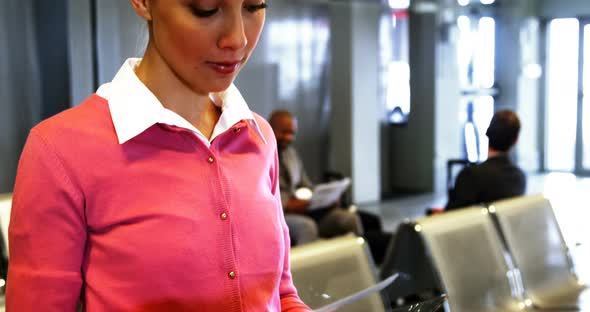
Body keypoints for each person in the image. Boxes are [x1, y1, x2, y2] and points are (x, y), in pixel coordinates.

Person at [7, 1, 311, 311]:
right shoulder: (61, 149)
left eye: (254, 6)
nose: (237, 39)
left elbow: (281, 295)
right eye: (205, 8)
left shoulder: (258, 136)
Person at [269, 110, 361, 241]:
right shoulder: (261, 157)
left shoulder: (291, 154)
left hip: (304, 209)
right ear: (270, 128)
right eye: (284, 132)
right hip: (280, 214)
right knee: (307, 226)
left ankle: (356, 259)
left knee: (349, 219)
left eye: (292, 133)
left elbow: (306, 185)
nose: (289, 137)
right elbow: (279, 203)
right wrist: (306, 204)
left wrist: (326, 198)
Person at [446, 110, 526, 210]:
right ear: (515, 140)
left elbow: (453, 216)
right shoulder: (519, 177)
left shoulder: (470, 176)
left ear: (488, 133)